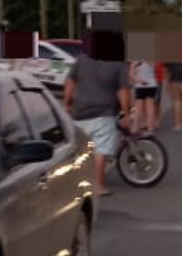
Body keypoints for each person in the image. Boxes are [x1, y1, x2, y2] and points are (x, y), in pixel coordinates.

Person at [64, 30, 132, 196]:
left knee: (80, 148)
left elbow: (70, 82)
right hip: (104, 113)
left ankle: (75, 184)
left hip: (79, 112)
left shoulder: (82, 59)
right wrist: (126, 113)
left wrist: (67, 104)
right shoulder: (118, 63)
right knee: (100, 149)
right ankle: (98, 186)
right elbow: (123, 91)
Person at [131, 58, 159, 133]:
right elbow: (154, 66)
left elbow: (131, 74)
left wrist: (138, 80)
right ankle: (149, 127)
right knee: (149, 106)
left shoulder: (136, 61)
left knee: (139, 107)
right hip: (151, 84)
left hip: (141, 85)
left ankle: (135, 128)